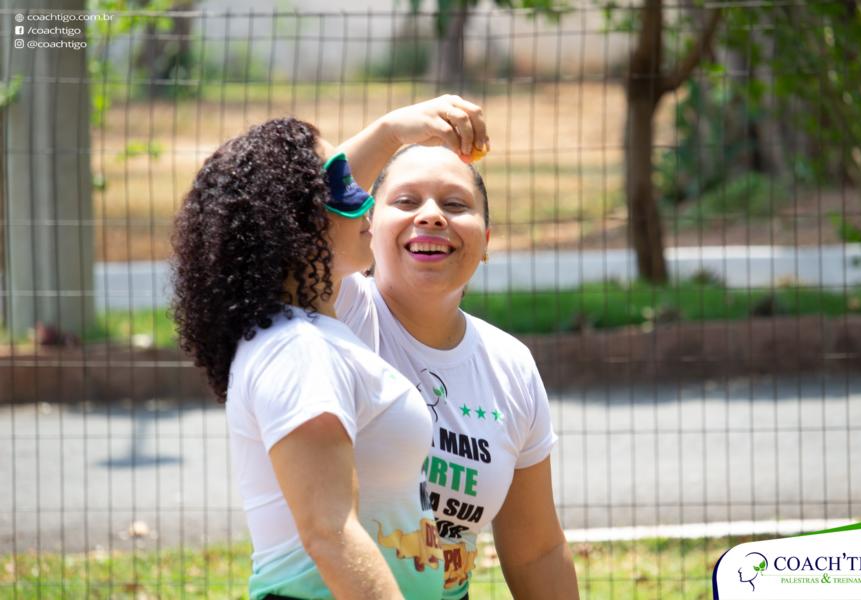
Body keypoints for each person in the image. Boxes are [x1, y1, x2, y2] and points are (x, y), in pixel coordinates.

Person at [170, 117, 444, 599]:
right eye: (340, 184)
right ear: (292, 218)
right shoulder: (296, 348)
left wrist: (391, 132)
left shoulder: (308, 333)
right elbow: (329, 533)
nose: (365, 199)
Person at [332, 96, 580, 599]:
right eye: (406, 202)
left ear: (485, 241)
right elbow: (296, 219)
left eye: (455, 205)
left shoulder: (510, 366)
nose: (431, 216)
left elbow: (537, 550)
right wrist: (389, 132)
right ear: (366, 227)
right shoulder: (341, 312)